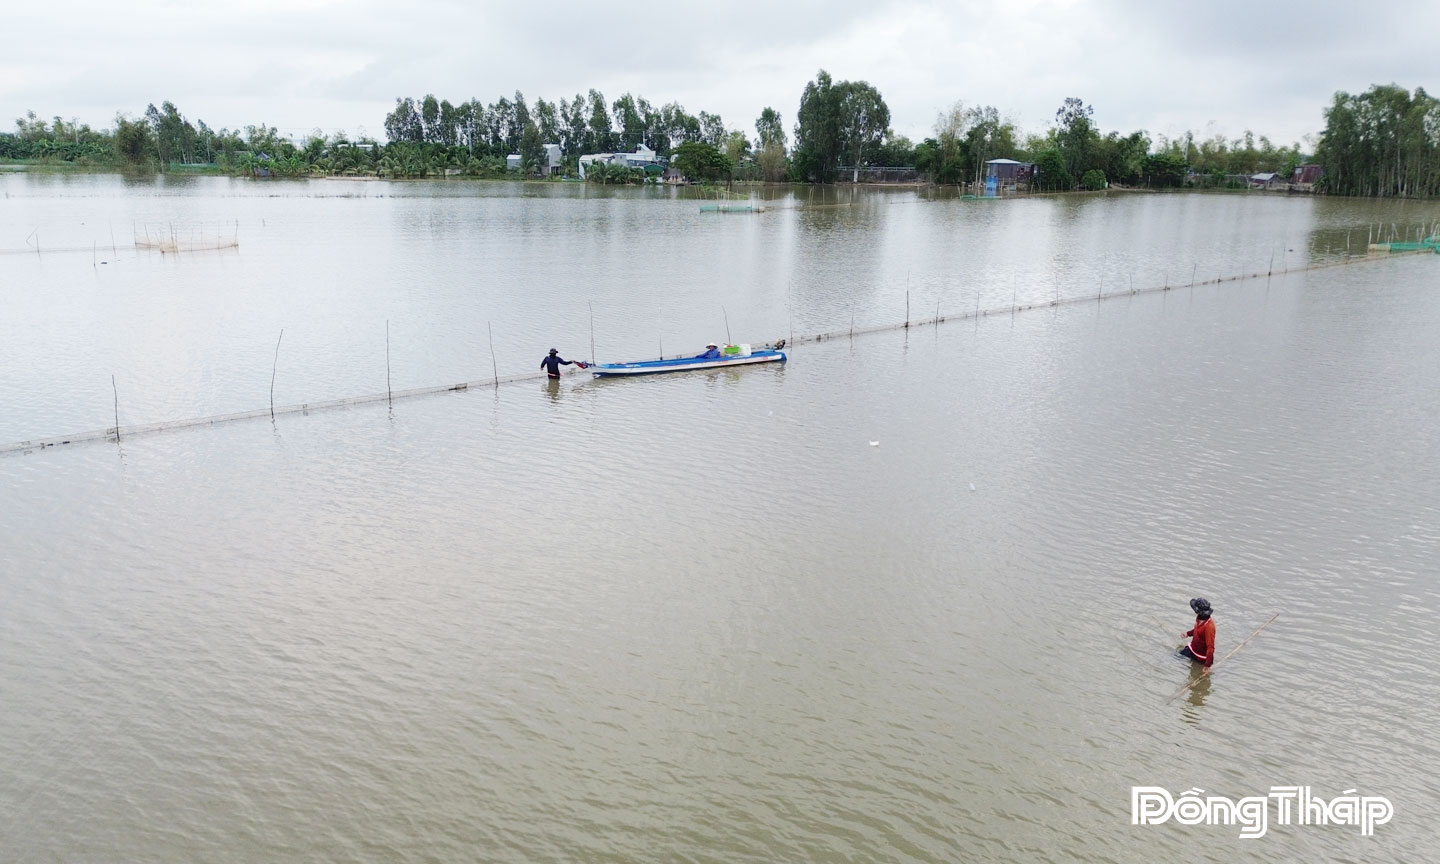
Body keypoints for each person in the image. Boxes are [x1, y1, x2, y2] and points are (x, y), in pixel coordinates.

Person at [1179, 597, 1215, 667]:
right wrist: (1188, 634)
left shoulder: (1209, 626)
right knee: (1175, 657)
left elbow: (1210, 648)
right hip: (1193, 649)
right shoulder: (1199, 618)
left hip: (1201, 658)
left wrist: (1207, 666)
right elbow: (1197, 630)